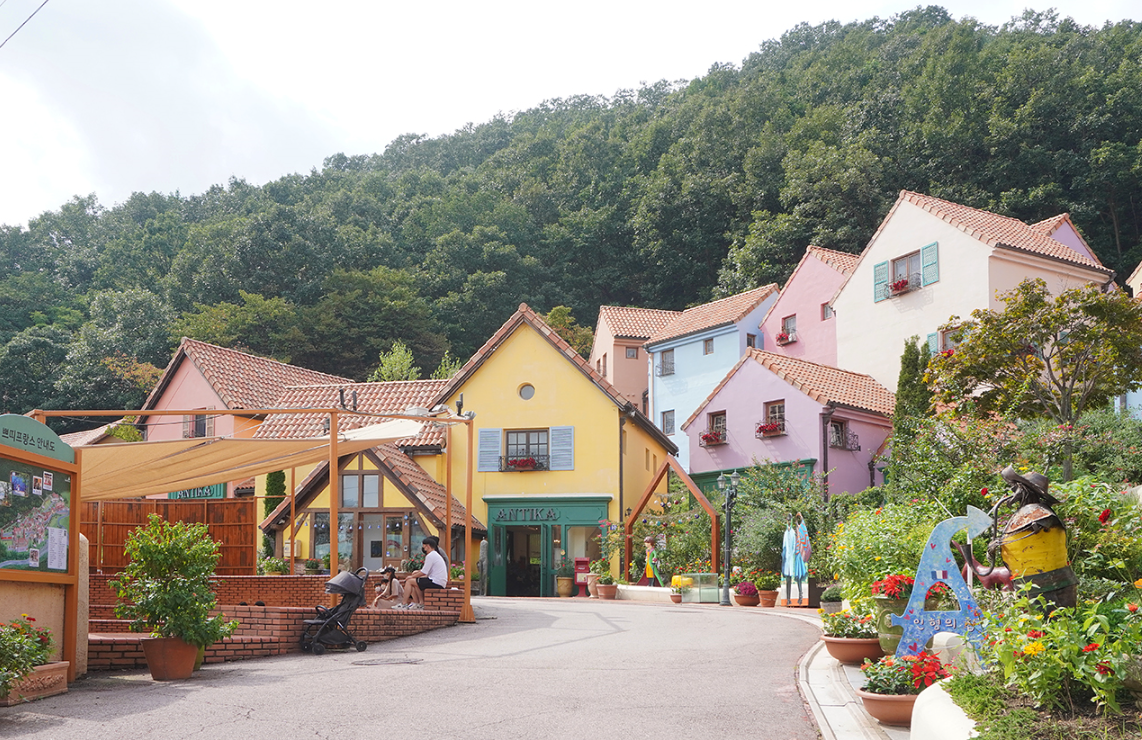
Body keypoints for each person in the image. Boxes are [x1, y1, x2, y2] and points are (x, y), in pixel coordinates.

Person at [395, 536, 448, 610]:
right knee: (417, 583)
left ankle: (404, 603)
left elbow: (424, 572)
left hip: (435, 581)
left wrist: (411, 577)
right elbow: (425, 570)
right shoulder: (435, 555)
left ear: (428, 546)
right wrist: (416, 574)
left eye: (424, 547)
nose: (423, 549)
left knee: (409, 581)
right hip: (439, 581)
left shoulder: (430, 556)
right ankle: (420, 603)